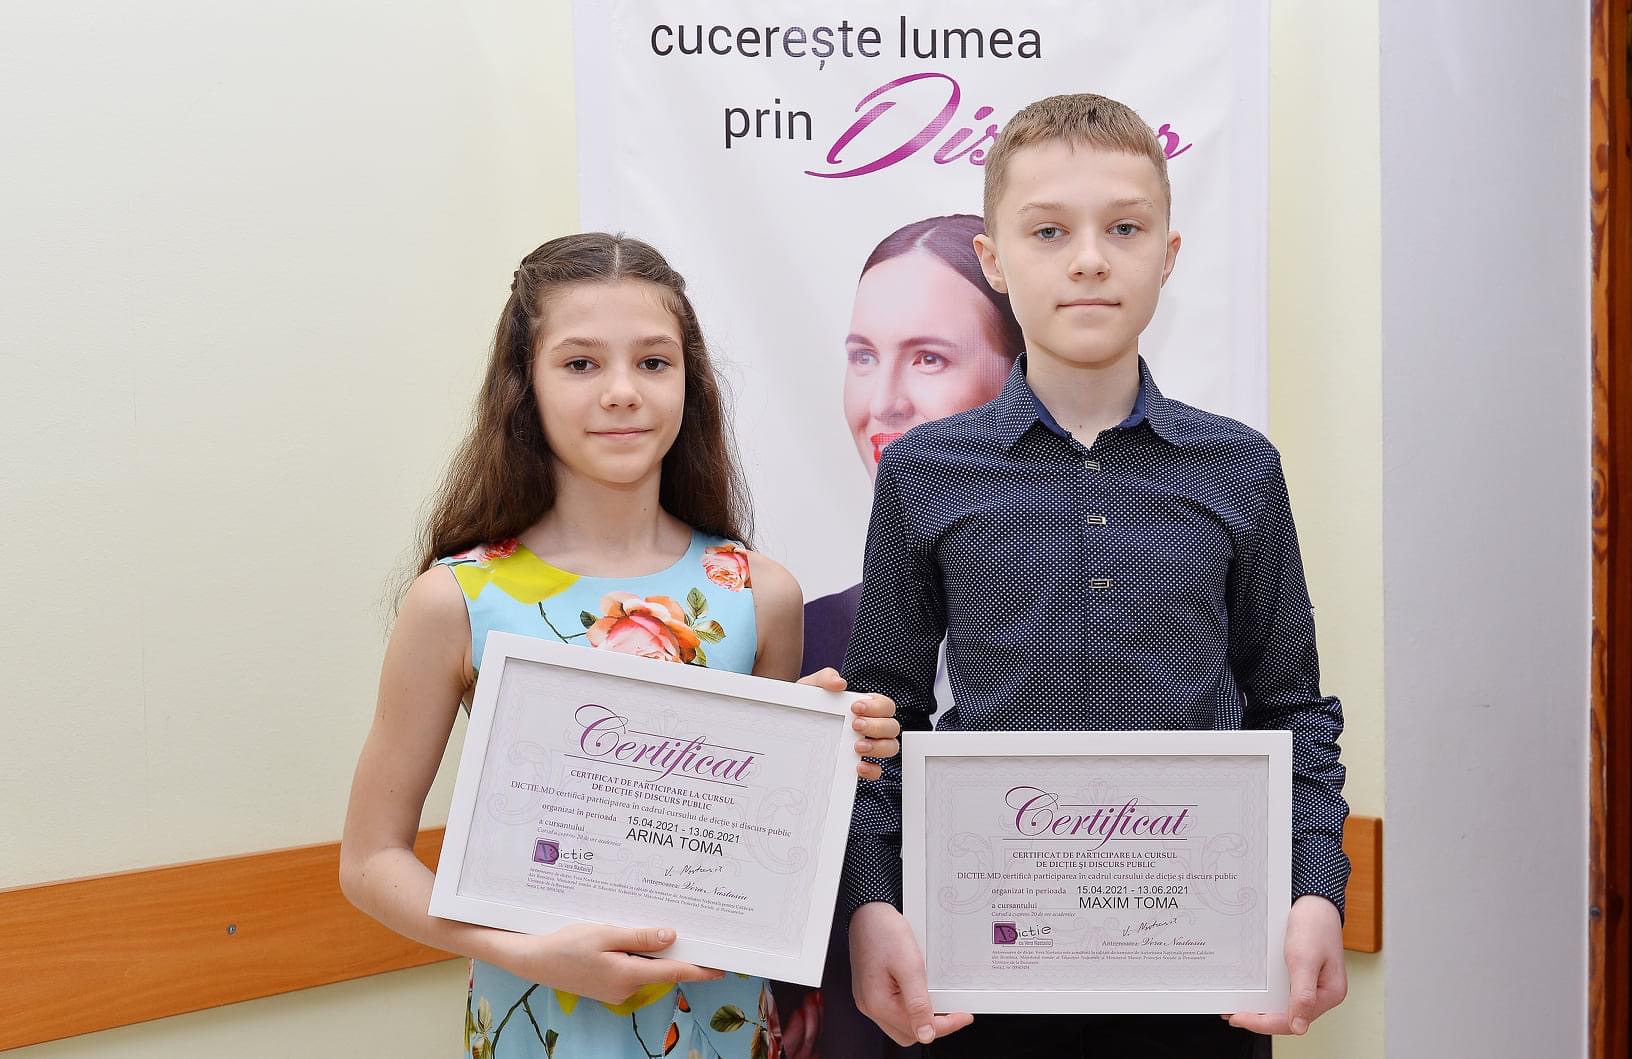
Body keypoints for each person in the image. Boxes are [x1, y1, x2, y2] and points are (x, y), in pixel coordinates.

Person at [841, 94, 1351, 1058]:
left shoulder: (1239, 468)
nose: (1088, 259)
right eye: (1048, 231)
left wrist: (1317, 887)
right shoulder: (923, 474)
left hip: (1205, 981)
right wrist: (873, 902)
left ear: (1169, 253)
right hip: (981, 981)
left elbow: (1291, 706)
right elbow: (881, 720)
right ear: (994, 260)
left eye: (1124, 227)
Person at [338, 233, 904, 1059]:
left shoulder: (759, 594)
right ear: (524, 384)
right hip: (536, 1024)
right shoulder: (456, 598)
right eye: (580, 363)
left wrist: (830, 752)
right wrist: (525, 951)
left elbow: (758, 852)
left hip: (720, 1025)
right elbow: (369, 859)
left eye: (653, 362)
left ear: (688, 381)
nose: (622, 392)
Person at [803, 214, 1024, 675]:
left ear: (1018, 373)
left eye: (929, 359)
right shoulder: (814, 635)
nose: (883, 404)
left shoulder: (1101, 611)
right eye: (864, 356)